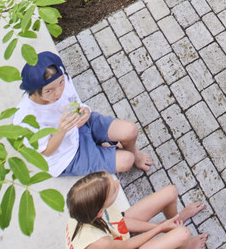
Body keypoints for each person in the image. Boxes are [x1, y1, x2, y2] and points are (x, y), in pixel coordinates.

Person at [14, 51, 152, 177]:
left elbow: (75, 103)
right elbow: (46, 152)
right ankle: (105, 152)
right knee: (127, 160)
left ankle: (127, 151)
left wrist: (85, 111)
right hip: (67, 155)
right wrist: (61, 131)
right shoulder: (25, 118)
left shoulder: (62, 80)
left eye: (61, 83)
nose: (58, 92)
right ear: (34, 91)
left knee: (130, 130)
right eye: (49, 91)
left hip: (79, 125)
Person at [65, 171, 208, 249]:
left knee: (171, 191)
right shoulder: (99, 241)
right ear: (99, 212)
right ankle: (178, 248)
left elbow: (120, 223)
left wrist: (161, 226)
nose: (118, 183)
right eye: (114, 190)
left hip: (114, 237)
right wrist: (159, 229)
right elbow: (126, 246)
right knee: (183, 234)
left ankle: (175, 221)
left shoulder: (86, 209)